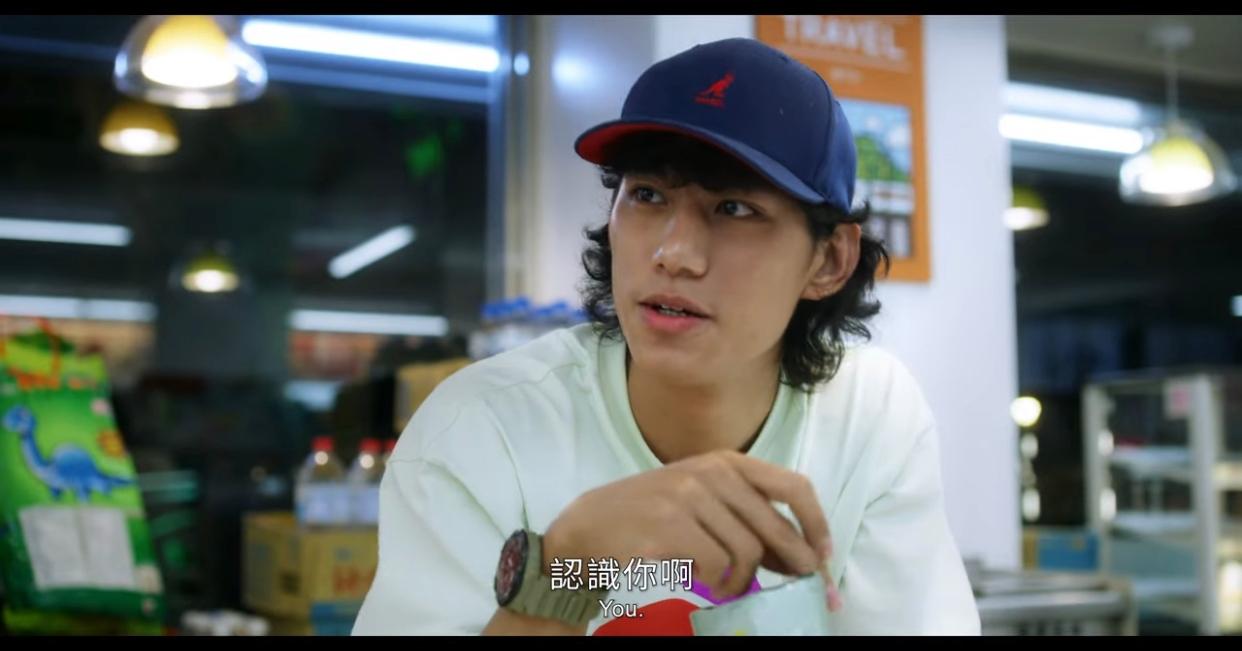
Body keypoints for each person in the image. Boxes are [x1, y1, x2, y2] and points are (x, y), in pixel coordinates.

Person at [353, 37, 980, 636]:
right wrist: (568, 568)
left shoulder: (869, 417)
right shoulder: (484, 429)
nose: (673, 252)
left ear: (830, 260)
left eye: (734, 208)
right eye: (648, 194)